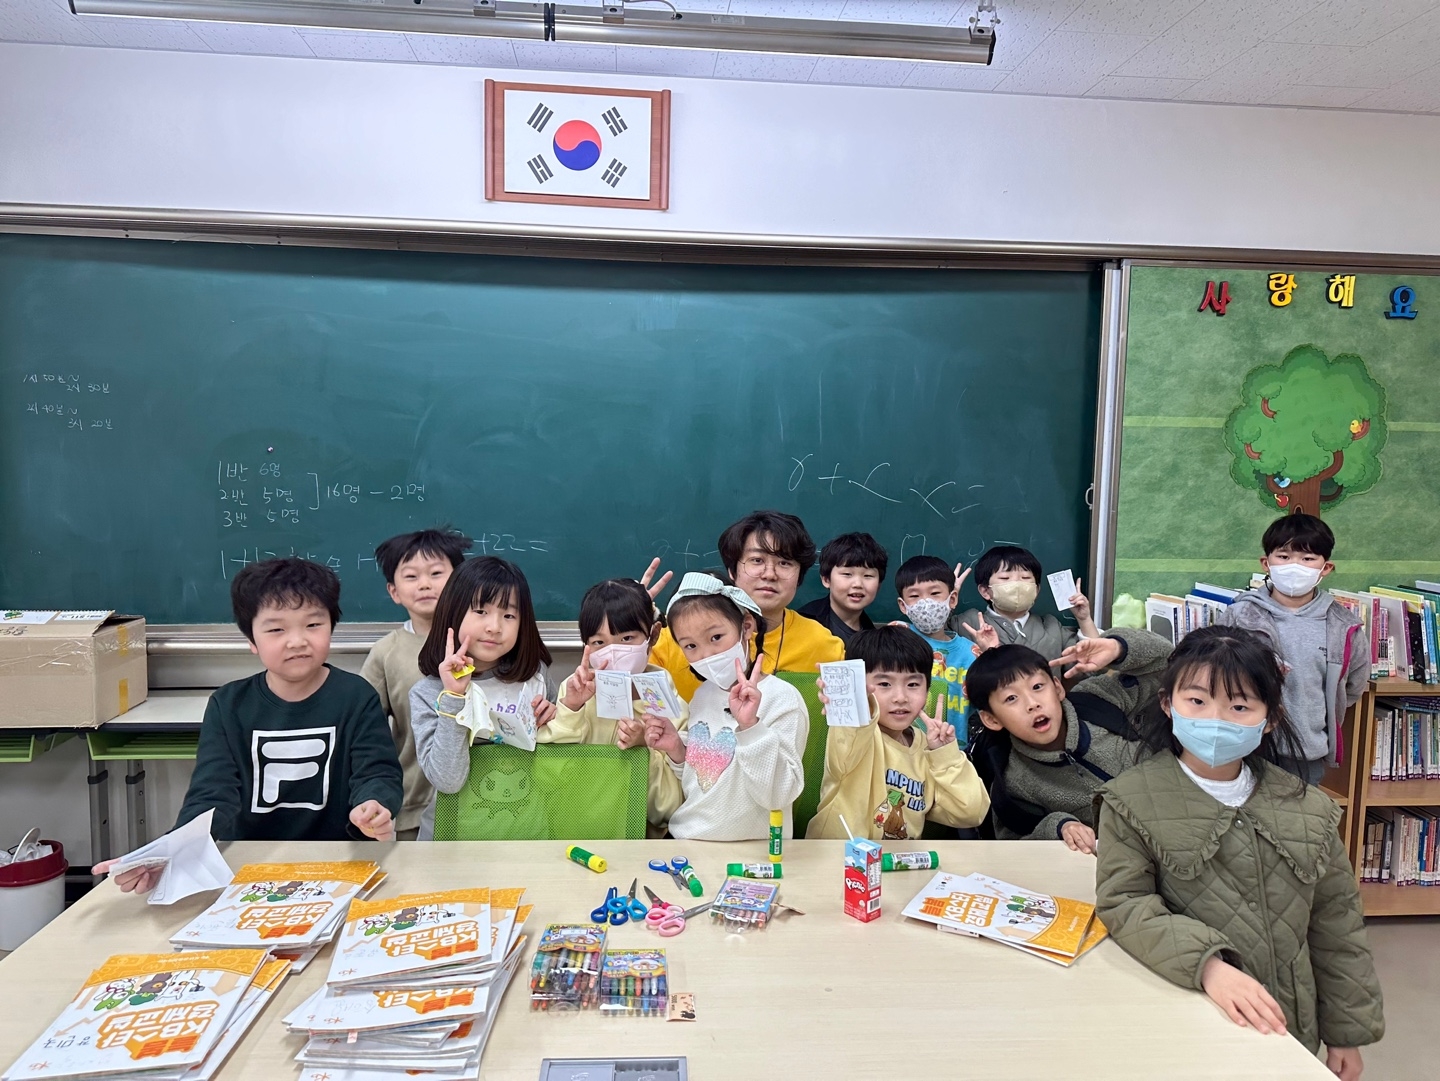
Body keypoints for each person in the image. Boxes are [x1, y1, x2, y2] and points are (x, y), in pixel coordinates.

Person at [1095, 626, 1383, 1079]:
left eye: (1239, 706)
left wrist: (1346, 1031)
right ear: (1168, 704)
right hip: (1189, 1013)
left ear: (1270, 717)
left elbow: (1336, 923)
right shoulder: (1130, 800)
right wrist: (1208, 965)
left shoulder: (1309, 807)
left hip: (1286, 1021)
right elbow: (1125, 903)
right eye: (1197, 701)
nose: (1216, 719)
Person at [94, 558, 405, 890]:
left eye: (313, 625)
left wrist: (374, 805)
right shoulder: (229, 704)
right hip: (249, 862)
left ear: (331, 626)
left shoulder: (356, 696)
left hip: (340, 858)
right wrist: (174, 851)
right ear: (252, 640)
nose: (297, 640)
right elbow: (212, 793)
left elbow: (377, 772)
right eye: (276, 630)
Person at [963, 628, 1170, 849]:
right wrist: (1058, 827)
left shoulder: (1098, 700)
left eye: (1037, 687)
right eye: (1011, 698)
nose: (1032, 704)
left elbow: (1171, 663)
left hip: (1187, 815)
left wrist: (1118, 648)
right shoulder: (1014, 783)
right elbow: (1012, 847)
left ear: (1057, 687)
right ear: (992, 719)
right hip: (1128, 858)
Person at [643, 573, 809, 841]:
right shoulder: (702, 696)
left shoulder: (782, 699)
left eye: (716, 637)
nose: (706, 654)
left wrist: (750, 727)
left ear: (746, 626)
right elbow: (703, 783)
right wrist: (677, 750)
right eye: (690, 645)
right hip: (687, 840)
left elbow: (779, 796)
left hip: (753, 850)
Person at [409, 557, 557, 840]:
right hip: (451, 841)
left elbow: (556, 771)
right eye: (480, 611)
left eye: (509, 615)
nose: (494, 627)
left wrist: (558, 719)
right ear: (453, 612)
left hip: (527, 837)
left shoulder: (535, 678)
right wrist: (454, 696)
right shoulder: (428, 693)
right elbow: (448, 781)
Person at [1218, 513, 1368, 785]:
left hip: (1305, 752)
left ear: (1325, 568)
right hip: (1243, 746)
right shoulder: (1239, 616)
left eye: (1308, 558)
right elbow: (1213, 670)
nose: (1295, 566)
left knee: (1296, 811)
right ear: (1266, 563)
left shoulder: (1344, 626)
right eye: (1284, 556)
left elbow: (1352, 687)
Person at [806, 625, 989, 841]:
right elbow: (850, 738)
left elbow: (971, 813)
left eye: (913, 684)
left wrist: (945, 756)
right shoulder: (855, 734)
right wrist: (851, 706)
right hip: (837, 856)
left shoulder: (927, 748)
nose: (900, 697)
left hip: (899, 858)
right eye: (884, 684)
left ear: (927, 689)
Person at [649, 510, 844, 699]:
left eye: (784, 563)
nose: (770, 574)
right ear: (732, 571)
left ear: (799, 576)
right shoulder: (669, 640)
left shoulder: (824, 646)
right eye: (757, 560)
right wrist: (633, 617)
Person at [543, 576, 686, 829]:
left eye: (627, 639)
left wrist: (642, 749)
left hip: (636, 840)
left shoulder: (670, 706)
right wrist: (570, 710)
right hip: (568, 831)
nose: (613, 651)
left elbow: (668, 808)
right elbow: (549, 776)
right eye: (599, 642)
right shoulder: (574, 691)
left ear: (653, 635)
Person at [361, 528, 472, 840]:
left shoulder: (484, 642)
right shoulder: (387, 651)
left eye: (436, 573)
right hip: (413, 803)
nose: (425, 584)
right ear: (394, 591)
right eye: (411, 576)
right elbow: (365, 728)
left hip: (485, 800)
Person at [952, 545, 1098, 662]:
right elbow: (937, 636)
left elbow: (1091, 663)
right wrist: (948, 596)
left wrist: (1084, 619)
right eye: (1005, 578)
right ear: (985, 591)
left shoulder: (1051, 627)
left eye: (1025, 577)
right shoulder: (967, 623)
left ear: (1036, 590)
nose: (1017, 584)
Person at [895, 555, 986, 739]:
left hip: (952, 745)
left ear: (952, 599)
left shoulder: (971, 653)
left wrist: (992, 652)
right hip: (902, 745)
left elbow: (990, 699)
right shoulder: (897, 635)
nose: (926, 603)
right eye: (914, 596)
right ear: (903, 606)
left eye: (935, 593)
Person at [797, 532, 888, 649]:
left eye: (868, 576)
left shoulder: (874, 638)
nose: (858, 584)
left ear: (879, 585)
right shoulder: (803, 622)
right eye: (847, 574)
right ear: (826, 579)